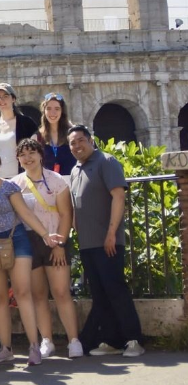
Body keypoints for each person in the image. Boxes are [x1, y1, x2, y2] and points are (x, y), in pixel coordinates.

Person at [0, 148, 62, 367]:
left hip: (14, 241)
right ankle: (6, 348)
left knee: (22, 292)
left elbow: (26, 214)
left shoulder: (9, 187)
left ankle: (33, 346)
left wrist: (46, 235)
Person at [68, 125, 144, 358]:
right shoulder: (75, 169)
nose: (77, 146)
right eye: (72, 143)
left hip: (107, 241)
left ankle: (134, 341)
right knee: (101, 294)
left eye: (81, 140)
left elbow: (118, 196)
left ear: (91, 140)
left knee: (116, 290)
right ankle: (112, 341)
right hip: (88, 243)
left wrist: (112, 233)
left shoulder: (107, 161)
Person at [14, 139, 83, 359]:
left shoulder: (56, 181)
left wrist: (61, 244)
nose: (28, 158)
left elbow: (66, 214)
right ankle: (47, 340)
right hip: (29, 242)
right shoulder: (16, 184)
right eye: (23, 154)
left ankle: (74, 340)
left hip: (55, 239)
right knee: (38, 294)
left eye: (32, 152)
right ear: (18, 159)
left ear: (40, 155)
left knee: (62, 292)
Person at [0, 83, 38, 178]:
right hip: (1, 177)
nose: (1, 100)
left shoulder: (27, 122)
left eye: (5, 96)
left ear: (13, 99)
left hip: (23, 176)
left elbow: (37, 150)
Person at [36, 93, 76, 175]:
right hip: (47, 184)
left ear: (62, 111)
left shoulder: (73, 133)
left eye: (57, 109)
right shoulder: (37, 137)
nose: (53, 113)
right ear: (44, 111)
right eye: (49, 109)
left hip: (71, 182)